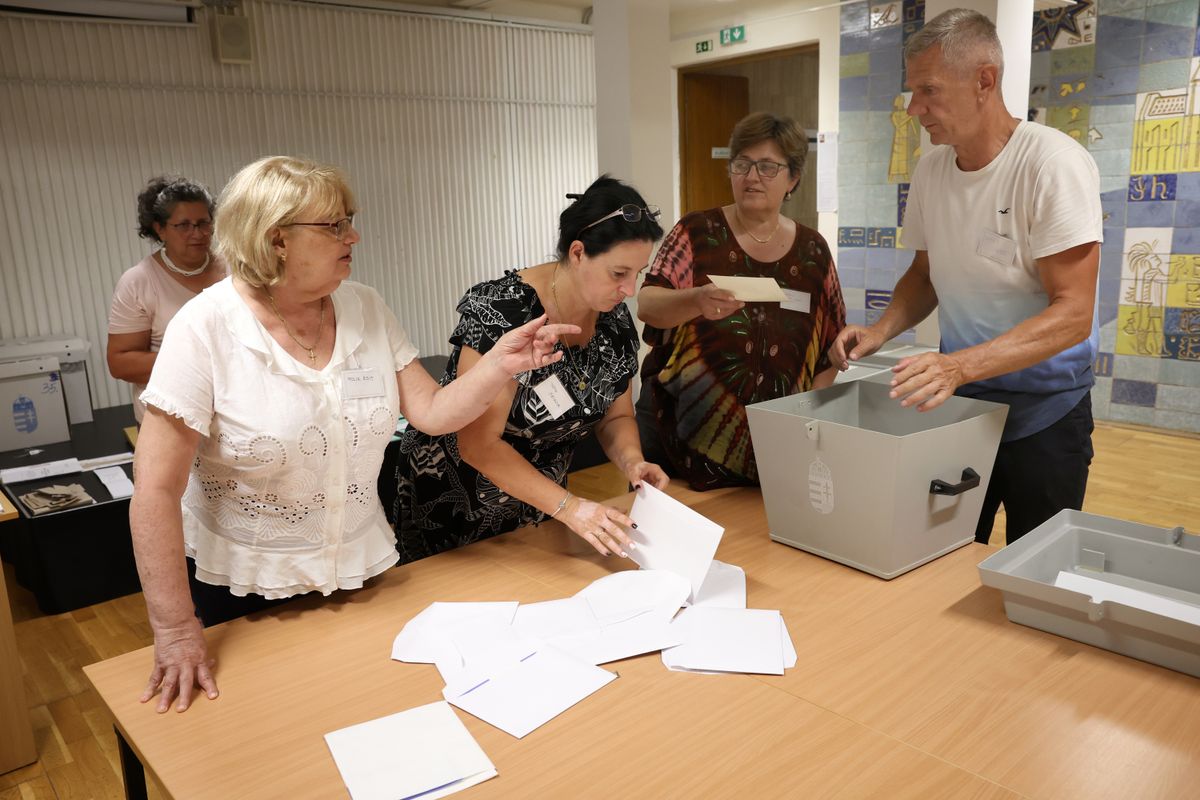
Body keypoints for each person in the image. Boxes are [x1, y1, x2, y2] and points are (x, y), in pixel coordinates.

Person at [130, 156, 576, 712]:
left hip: (358, 571)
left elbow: (432, 413)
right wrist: (174, 629)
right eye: (335, 226)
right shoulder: (204, 327)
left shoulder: (364, 305)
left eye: (349, 220)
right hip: (246, 589)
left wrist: (498, 366)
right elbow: (153, 491)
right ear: (276, 240)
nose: (354, 235)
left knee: (364, 715)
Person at [828, 9, 1102, 545]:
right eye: (912, 92)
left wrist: (956, 365)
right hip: (962, 410)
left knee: (1035, 567)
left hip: (1046, 414)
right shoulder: (931, 170)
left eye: (928, 91)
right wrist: (881, 331)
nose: (914, 110)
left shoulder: (1052, 165)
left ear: (984, 81)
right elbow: (927, 274)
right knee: (940, 557)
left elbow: (1073, 315)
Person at [394, 176, 669, 563]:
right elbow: (477, 443)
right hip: (457, 502)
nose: (630, 289)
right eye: (618, 273)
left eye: (638, 274)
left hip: (542, 505)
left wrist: (631, 461)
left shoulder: (612, 316)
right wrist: (570, 507)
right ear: (577, 253)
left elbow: (616, 415)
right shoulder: (503, 309)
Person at [636, 112, 846, 491]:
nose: (752, 177)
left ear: (793, 178)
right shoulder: (697, 231)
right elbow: (648, 303)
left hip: (775, 445)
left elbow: (831, 347)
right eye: (742, 164)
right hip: (678, 439)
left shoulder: (813, 250)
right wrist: (696, 300)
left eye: (767, 167)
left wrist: (802, 415)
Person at [107, 176, 227, 422]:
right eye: (184, 225)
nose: (198, 233)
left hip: (231, 421)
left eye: (204, 223)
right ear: (159, 229)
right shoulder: (139, 282)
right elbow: (120, 363)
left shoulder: (234, 269)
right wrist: (204, 360)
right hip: (171, 420)